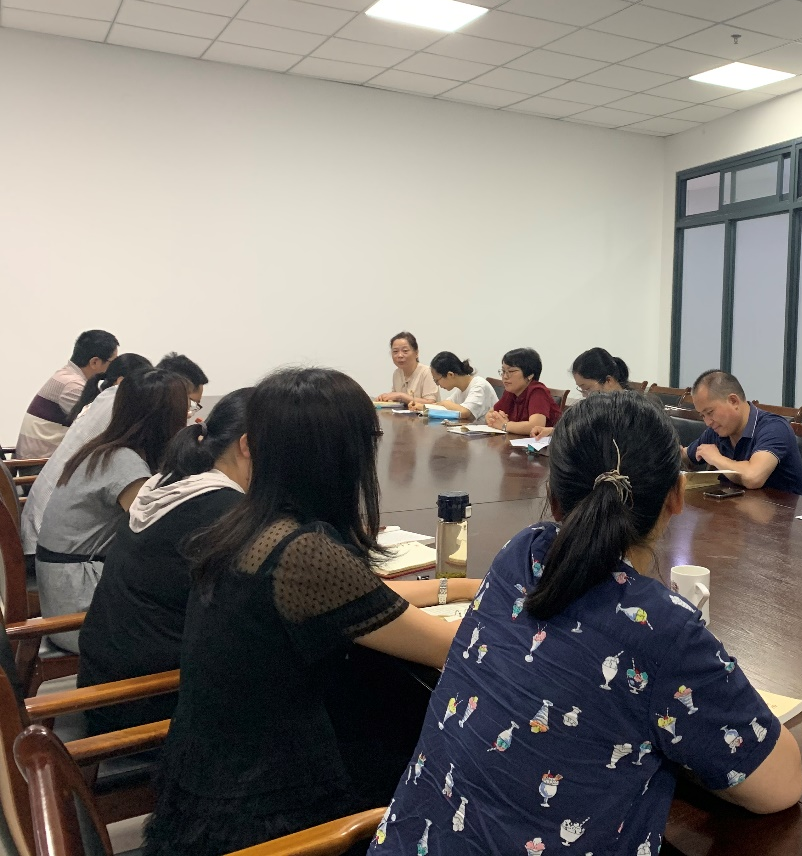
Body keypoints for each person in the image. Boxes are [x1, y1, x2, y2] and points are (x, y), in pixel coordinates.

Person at [371, 391, 802, 856]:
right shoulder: (661, 628)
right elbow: (780, 786)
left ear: (554, 500)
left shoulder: (523, 552)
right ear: (677, 496)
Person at [142, 367, 481, 856]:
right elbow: (451, 649)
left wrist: (461, 586)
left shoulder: (247, 522)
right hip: (265, 815)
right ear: (343, 456)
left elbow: (366, 597)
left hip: (204, 787)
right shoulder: (305, 553)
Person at [77, 388, 252, 736]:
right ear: (247, 446)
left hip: (105, 684)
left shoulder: (170, 481)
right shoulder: (224, 511)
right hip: (147, 703)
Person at [37, 368, 190, 651]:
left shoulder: (104, 449)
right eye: (187, 411)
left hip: (64, 591)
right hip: (79, 609)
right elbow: (157, 533)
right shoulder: (124, 463)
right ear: (168, 419)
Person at [22, 354, 153, 556]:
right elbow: (146, 521)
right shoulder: (115, 407)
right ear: (123, 383)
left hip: (40, 530)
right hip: (51, 543)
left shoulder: (101, 399)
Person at [684, 370, 802, 494]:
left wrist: (716, 458)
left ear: (733, 401)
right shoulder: (717, 431)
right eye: (702, 416)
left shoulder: (774, 428)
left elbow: (753, 477)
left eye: (710, 412)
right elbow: (686, 455)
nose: (707, 422)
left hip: (780, 506)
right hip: (733, 504)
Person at [14, 329, 118, 459]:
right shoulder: (73, 386)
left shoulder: (67, 376)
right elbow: (99, 427)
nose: (116, 367)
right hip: (39, 465)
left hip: (41, 461)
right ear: (94, 362)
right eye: (113, 362)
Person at [529, 347, 631, 439]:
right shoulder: (596, 406)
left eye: (587, 388)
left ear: (609, 380)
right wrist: (553, 431)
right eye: (581, 389)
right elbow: (584, 430)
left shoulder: (630, 410)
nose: (584, 394)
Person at [484, 348, 563, 435]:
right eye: (503, 371)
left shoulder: (538, 391)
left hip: (545, 443)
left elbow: (536, 426)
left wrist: (505, 425)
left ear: (530, 375)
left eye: (511, 371)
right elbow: (491, 413)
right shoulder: (511, 391)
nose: (505, 376)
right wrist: (492, 418)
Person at [408, 352, 496, 422]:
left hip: (488, 438)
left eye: (437, 380)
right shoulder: (461, 390)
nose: (437, 384)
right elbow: (443, 407)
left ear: (450, 375)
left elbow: (465, 412)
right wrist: (421, 406)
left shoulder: (479, 385)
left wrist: (445, 403)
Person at [378, 332, 438, 405]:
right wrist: (386, 397)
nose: (400, 355)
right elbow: (395, 399)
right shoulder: (397, 373)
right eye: (395, 351)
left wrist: (401, 396)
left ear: (416, 353)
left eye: (405, 351)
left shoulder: (427, 372)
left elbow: (431, 403)